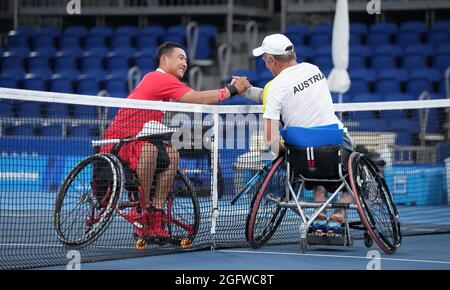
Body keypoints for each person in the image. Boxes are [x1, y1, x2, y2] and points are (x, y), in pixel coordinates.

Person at [101, 42, 251, 239]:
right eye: (180, 58)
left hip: (141, 140)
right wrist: (231, 89)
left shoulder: (162, 85)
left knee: (172, 152)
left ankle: (156, 213)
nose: (185, 63)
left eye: (186, 60)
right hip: (120, 141)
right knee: (151, 151)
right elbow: (197, 98)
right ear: (165, 59)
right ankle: (142, 208)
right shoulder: (157, 78)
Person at [244, 34, 354, 235]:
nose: (264, 63)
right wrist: (249, 91)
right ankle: (338, 217)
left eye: (264, 59)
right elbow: (291, 92)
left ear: (271, 60)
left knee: (315, 174)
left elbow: (270, 139)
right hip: (338, 147)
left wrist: (284, 152)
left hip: (304, 157)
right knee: (356, 179)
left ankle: (319, 216)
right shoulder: (314, 70)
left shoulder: (274, 87)